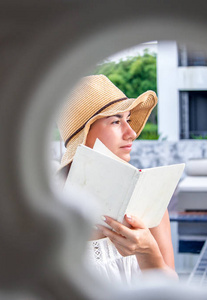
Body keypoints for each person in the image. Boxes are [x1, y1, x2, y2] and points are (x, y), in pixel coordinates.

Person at [57, 75, 177, 284]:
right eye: (115, 121)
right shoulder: (50, 206)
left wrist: (149, 253)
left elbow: (172, 290)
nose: (131, 133)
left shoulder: (146, 193)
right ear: (84, 135)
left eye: (128, 119)